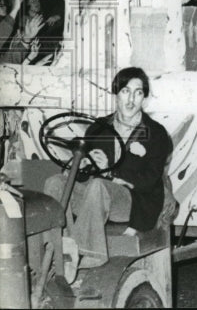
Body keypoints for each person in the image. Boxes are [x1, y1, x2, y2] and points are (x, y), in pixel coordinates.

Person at [44, 67, 172, 273]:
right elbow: (84, 173)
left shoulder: (155, 133)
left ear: (144, 99)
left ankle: (91, 254)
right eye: (125, 91)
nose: (131, 99)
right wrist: (80, 167)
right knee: (56, 182)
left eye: (138, 93)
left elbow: (150, 180)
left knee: (98, 186)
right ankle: (57, 248)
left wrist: (110, 172)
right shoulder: (99, 127)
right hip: (96, 200)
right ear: (116, 94)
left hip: (134, 202)